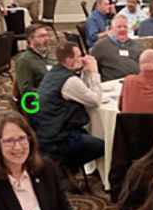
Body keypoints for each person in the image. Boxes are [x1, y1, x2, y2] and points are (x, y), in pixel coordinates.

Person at [29, 41, 104, 173]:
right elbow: (95, 100)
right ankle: (64, 166)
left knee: (89, 135)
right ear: (69, 62)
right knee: (104, 146)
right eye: (79, 56)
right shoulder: (69, 81)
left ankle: (69, 168)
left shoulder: (55, 71)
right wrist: (94, 72)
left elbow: (82, 92)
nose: (83, 59)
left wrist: (85, 73)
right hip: (57, 138)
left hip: (45, 130)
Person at [90, 15, 145, 82]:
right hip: (112, 85)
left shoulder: (138, 46)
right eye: (119, 27)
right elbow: (90, 69)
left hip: (136, 83)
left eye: (125, 27)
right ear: (112, 28)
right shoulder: (100, 47)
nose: (122, 29)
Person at [16, 23, 54, 95]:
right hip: (39, 102)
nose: (46, 39)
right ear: (30, 39)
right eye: (42, 36)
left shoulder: (49, 59)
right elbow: (26, 91)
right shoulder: (25, 61)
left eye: (47, 35)